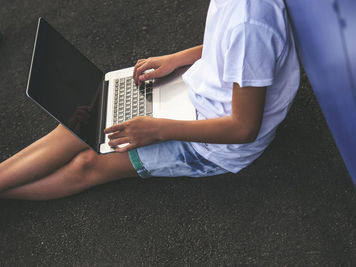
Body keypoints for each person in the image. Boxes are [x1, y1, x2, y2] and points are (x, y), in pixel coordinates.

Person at [0, 0, 299, 200]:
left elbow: (243, 128)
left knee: (87, 164)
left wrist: (156, 129)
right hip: (195, 94)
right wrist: (176, 59)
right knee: (81, 126)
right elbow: (227, 49)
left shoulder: (251, 24)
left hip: (216, 144)